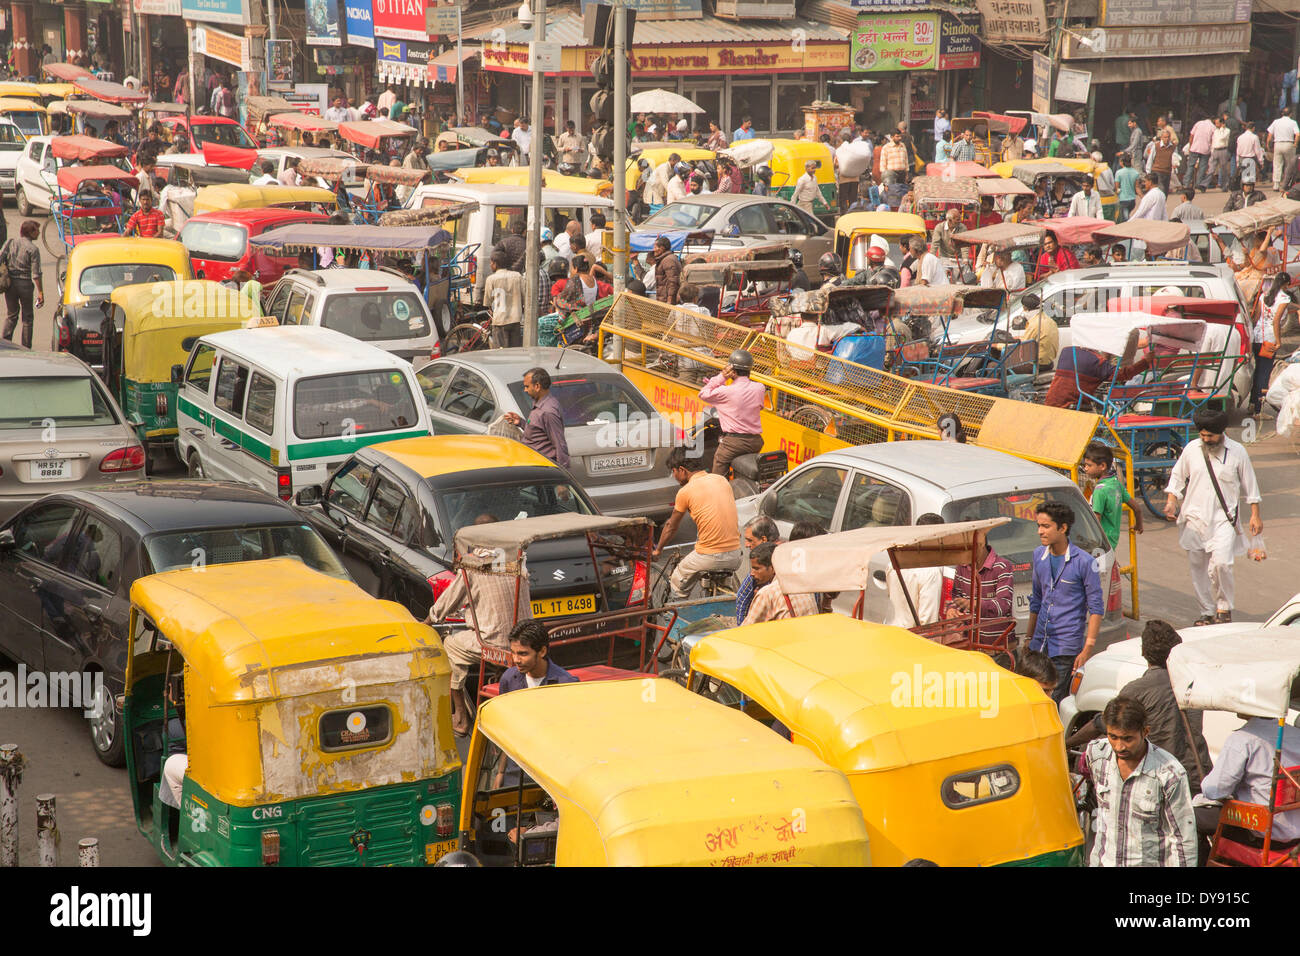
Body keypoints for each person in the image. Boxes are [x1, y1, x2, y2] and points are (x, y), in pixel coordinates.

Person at [1068, 620, 1211, 796]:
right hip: (1199, 777)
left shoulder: (1138, 689)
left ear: (1143, 651)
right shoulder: (1190, 684)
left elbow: (1101, 723)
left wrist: (1066, 743)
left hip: (1162, 781)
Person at [1164, 406, 1262, 626]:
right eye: (1202, 435)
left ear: (1222, 433)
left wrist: (1255, 515)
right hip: (1194, 518)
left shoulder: (1237, 452)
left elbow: (1250, 486)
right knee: (1197, 567)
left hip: (1224, 519)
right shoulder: (1191, 449)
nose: (1206, 439)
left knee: (1222, 564)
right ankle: (1207, 612)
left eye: (1210, 435)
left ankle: (1223, 607)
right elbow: (1177, 478)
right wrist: (1171, 501)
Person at [426, 534, 533, 735]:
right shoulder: (517, 561)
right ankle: (499, 675)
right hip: (527, 638)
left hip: (495, 642)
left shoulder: (473, 567)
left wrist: (427, 621)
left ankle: (460, 715)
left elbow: (446, 603)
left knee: (450, 644)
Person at [1083, 696, 1197, 867]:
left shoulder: (1169, 774)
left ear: (1145, 732)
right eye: (1113, 737)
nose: (1119, 746)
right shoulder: (1097, 754)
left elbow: (1183, 840)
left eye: (1127, 739)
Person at [1025, 501, 1104, 702]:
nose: (1039, 532)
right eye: (1038, 526)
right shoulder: (1038, 555)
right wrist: (1028, 638)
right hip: (1039, 644)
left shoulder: (1085, 562)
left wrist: (1087, 648)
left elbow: (1096, 608)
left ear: (1062, 528)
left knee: (1053, 700)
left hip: (1065, 647)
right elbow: (1037, 599)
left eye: (1045, 526)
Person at [1199, 712, 1300, 853]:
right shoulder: (1296, 734)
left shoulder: (1243, 738)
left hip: (1260, 833)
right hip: (1295, 834)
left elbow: (1214, 790)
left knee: (1189, 818)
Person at [655, 446, 742, 599]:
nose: (674, 476)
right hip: (735, 555)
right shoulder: (721, 480)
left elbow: (671, 526)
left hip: (708, 556)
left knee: (676, 582)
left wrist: (658, 550)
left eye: (673, 471)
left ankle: (675, 617)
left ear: (681, 470)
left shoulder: (685, 492)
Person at [698, 348, 765, 479]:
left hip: (734, 442)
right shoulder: (760, 388)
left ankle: (720, 492)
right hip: (756, 441)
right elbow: (759, 407)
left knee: (718, 466)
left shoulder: (725, 391)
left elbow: (703, 393)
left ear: (732, 371)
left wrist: (722, 377)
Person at [944, 535, 1014, 646]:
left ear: (980, 543)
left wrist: (974, 604)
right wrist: (951, 609)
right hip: (971, 646)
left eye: (966, 547)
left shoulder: (1002, 566)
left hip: (999, 647)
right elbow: (955, 598)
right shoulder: (962, 567)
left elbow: (1003, 605)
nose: (962, 552)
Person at [502, 367, 570, 468]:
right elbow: (538, 432)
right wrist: (520, 422)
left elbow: (559, 443)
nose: (525, 390)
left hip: (543, 466)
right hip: (533, 463)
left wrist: (562, 474)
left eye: (527, 386)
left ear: (537, 386)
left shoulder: (548, 411)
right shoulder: (539, 404)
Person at [741, 542, 819, 625]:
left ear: (773, 568)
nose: (751, 573)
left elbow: (746, 630)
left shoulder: (766, 593)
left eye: (756, 568)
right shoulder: (802, 584)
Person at [1251, 272, 1293, 414]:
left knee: (1258, 371)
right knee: (1264, 373)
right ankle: (1259, 410)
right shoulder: (1284, 298)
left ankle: (1253, 404)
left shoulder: (1265, 295)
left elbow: (1256, 317)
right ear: (1286, 284)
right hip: (1269, 341)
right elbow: (1276, 321)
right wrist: (1278, 342)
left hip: (1257, 337)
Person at [2, 219, 43, 350]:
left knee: (11, 315)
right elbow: (36, 274)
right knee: (27, 317)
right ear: (30, 232)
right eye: (37, 230)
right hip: (25, 285)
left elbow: (1, 257)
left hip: (10, 285)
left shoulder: (11, 242)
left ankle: (4, 342)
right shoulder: (33, 249)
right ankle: (26, 347)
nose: (39, 232)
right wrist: (41, 292)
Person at [735, 516, 779, 625]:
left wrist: (740, 629)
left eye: (750, 540)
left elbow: (742, 597)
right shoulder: (788, 552)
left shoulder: (768, 558)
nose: (746, 545)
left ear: (764, 540)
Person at [482, 250, 524, 349]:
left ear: (495, 264)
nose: (490, 265)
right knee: (514, 351)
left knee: (499, 353)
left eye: (491, 263)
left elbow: (487, 301)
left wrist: (491, 309)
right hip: (515, 320)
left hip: (500, 321)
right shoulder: (517, 276)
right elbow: (524, 297)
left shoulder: (491, 279)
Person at [1268, 106, 1300, 192]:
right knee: (1289, 165)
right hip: (1289, 144)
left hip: (1277, 144)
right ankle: (1286, 184)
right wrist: (1295, 144)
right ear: (1291, 114)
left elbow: (1270, 135)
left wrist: (1268, 145)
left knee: (1277, 164)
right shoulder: (1293, 122)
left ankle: (1276, 185)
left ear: (1282, 113)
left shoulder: (1276, 122)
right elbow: (1297, 134)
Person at [1185, 114, 1215, 190]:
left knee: (1191, 166)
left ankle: (1186, 184)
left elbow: (1191, 135)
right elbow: (1212, 140)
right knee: (1202, 167)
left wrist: (1190, 146)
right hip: (1205, 149)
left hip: (1194, 148)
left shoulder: (1198, 123)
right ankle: (1198, 184)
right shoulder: (1213, 127)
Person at [649, 235, 681, 304]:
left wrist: (669, 301)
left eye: (655, 247)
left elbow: (673, 281)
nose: (654, 250)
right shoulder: (666, 259)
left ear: (662, 248)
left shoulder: (668, 260)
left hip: (667, 301)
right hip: (664, 299)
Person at [1148, 129, 1176, 194]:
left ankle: (1163, 203)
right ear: (1161, 138)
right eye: (1165, 137)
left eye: (1168, 137)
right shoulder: (1156, 146)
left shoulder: (1173, 147)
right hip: (1157, 171)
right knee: (1161, 190)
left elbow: (1175, 158)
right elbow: (1150, 159)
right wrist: (1149, 172)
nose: (1167, 139)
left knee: (1165, 192)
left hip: (1167, 172)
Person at [1115, 153, 1141, 220]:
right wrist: (1143, 197)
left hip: (1123, 200)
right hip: (1132, 200)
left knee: (1125, 219)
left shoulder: (1119, 173)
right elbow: (1137, 187)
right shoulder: (1136, 173)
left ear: (1122, 162)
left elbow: (1117, 188)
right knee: (1126, 216)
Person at [1210, 116, 1232, 190]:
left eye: (1217, 123)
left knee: (1223, 169)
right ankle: (1204, 184)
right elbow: (1214, 141)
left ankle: (1224, 185)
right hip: (1215, 150)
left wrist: (1222, 128)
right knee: (1211, 168)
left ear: (1222, 123)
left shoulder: (1227, 130)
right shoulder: (1215, 131)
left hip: (1223, 150)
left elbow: (1222, 138)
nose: (1216, 125)